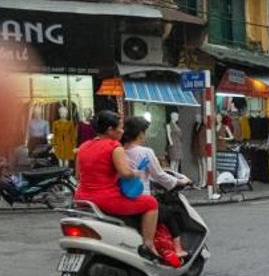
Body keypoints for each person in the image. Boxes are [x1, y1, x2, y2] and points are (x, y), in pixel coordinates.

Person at [74, 111, 161, 260]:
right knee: (151, 203)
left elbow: (78, 176)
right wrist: (136, 172)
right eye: (120, 127)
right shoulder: (114, 146)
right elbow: (125, 173)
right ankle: (148, 244)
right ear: (110, 129)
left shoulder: (83, 146)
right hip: (107, 199)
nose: (122, 131)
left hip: (82, 198)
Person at [122, 117, 191, 258]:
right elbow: (159, 175)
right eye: (144, 132)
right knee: (172, 213)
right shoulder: (145, 152)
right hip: (143, 199)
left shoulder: (120, 151)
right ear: (140, 133)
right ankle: (177, 249)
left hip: (124, 197)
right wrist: (179, 182)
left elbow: (150, 174)